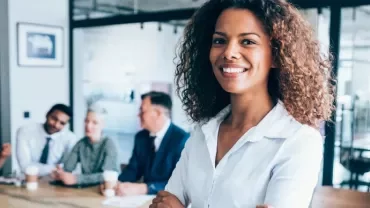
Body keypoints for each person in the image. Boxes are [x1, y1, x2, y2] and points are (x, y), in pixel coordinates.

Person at [150, 0, 335, 208]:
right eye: (219, 41)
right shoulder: (204, 131)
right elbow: (163, 203)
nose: (229, 52)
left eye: (247, 42)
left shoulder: (298, 140)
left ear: (276, 55)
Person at [112, 91, 189, 196]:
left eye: (142, 111)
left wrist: (145, 188)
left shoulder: (182, 140)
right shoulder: (140, 137)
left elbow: (182, 184)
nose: (138, 115)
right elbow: (133, 170)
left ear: (157, 113)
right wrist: (116, 183)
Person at [52, 106, 119, 185]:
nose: (88, 126)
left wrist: (77, 179)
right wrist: (60, 173)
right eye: (86, 121)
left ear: (103, 125)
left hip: (104, 190)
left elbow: (108, 175)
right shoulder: (80, 144)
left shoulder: (109, 144)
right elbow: (67, 169)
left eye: (95, 123)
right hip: (86, 190)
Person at [16, 104, 77, 176]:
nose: (56, 125)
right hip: (29, 179)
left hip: (57, 181)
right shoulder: (25, 131)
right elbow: (24, 166)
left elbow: (69, 167)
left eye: (62, 123)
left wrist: (33, 167)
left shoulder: (70, 138)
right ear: (47, 114)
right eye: (54, 119)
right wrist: (55, 168)